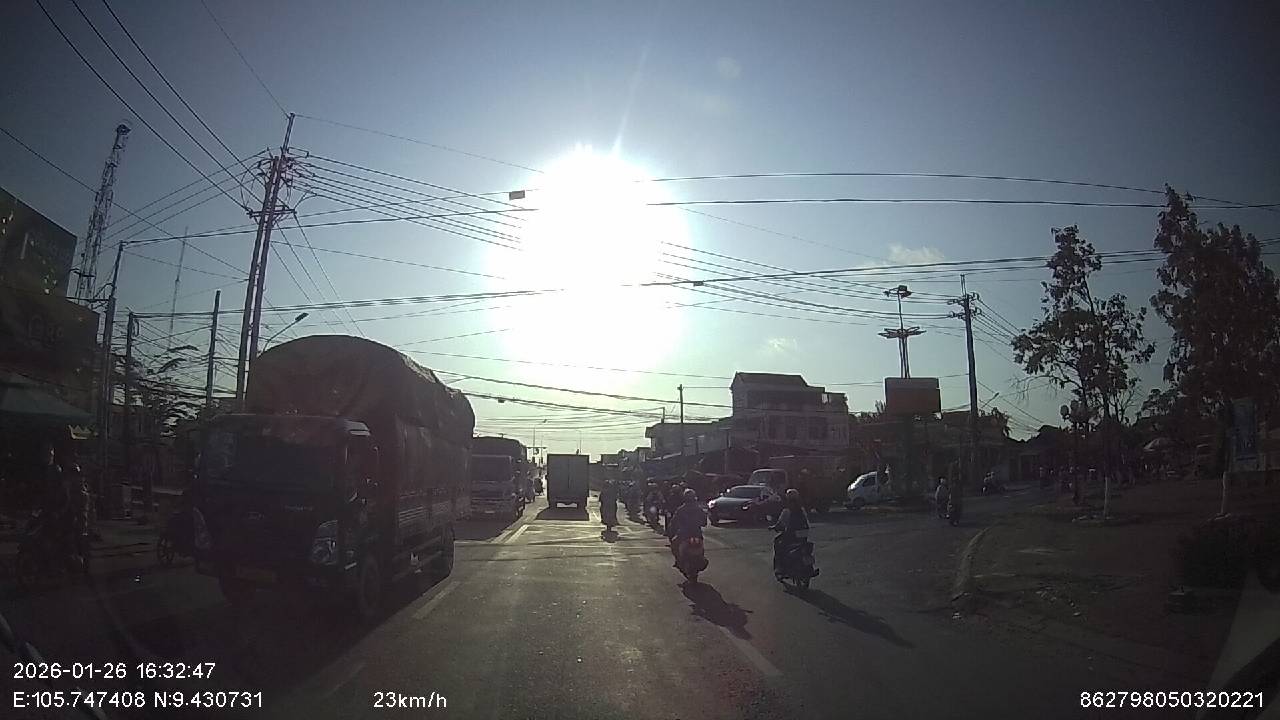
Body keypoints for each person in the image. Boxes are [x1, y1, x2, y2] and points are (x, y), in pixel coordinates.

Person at [770, 488, 810, 575]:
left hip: (792, 535)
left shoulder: (787, 510)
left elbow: (781, 523)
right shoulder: (801, 509)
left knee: (778, 543)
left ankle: (780, 567)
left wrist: (775, 527)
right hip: (803, 536)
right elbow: (807, 521)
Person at [667, 488, 707, 568]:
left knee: (674, 544)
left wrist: (671, 530)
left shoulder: (681, 509)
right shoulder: (698, 509)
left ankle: (678, 560)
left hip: (684, 534)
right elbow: (704, 522)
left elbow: (674, 522)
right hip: (696, 533)